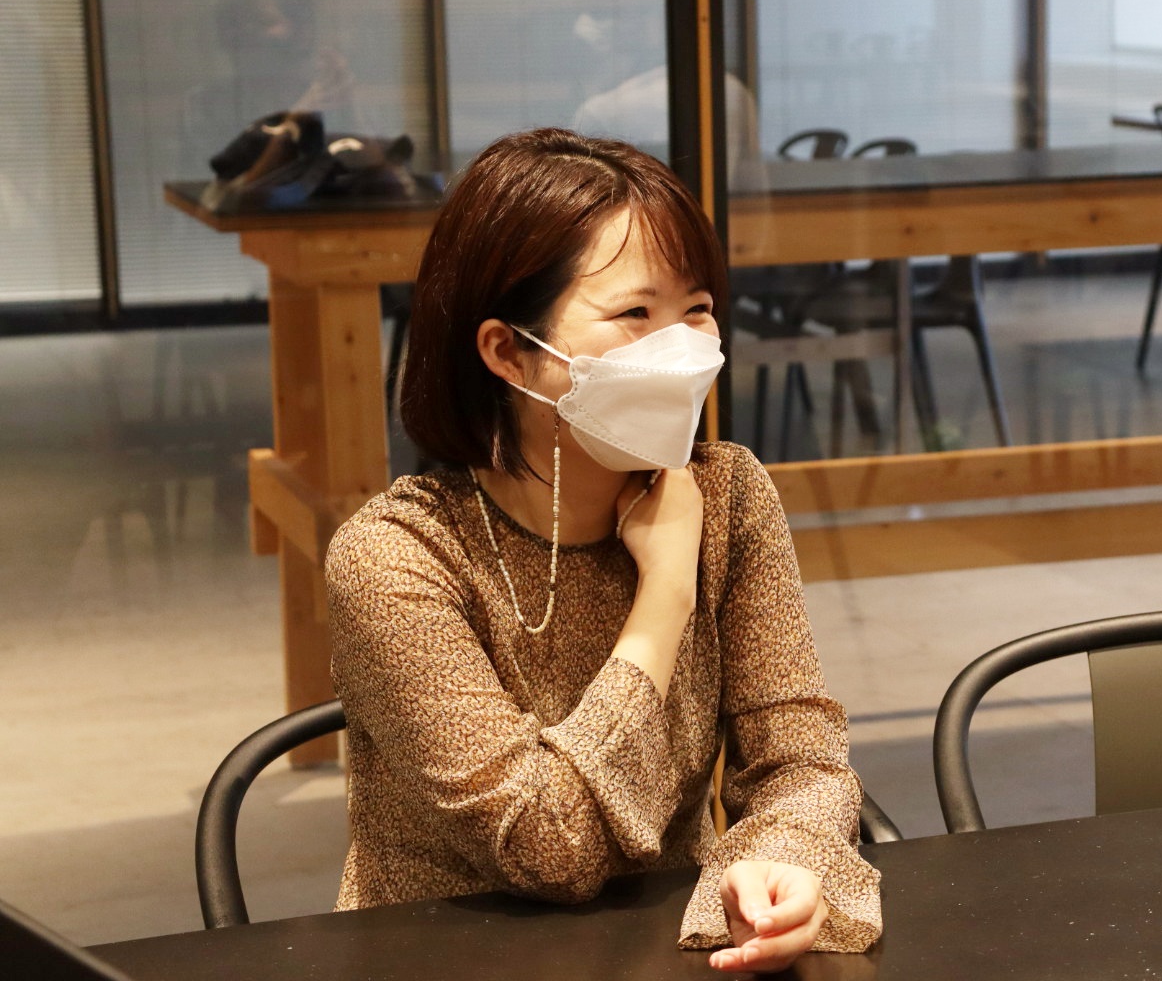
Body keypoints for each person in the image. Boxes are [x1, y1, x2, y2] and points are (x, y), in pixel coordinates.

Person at [324, 127, 881, 974]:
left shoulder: (726, 493)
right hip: (446, 959)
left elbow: (799, 755)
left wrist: (783, 861)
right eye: (634, 314)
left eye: (696, 309)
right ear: (509, 352)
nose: (682, 347)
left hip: (663, 955)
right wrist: (665, 597)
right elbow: (546, 849)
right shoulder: (397, 557)